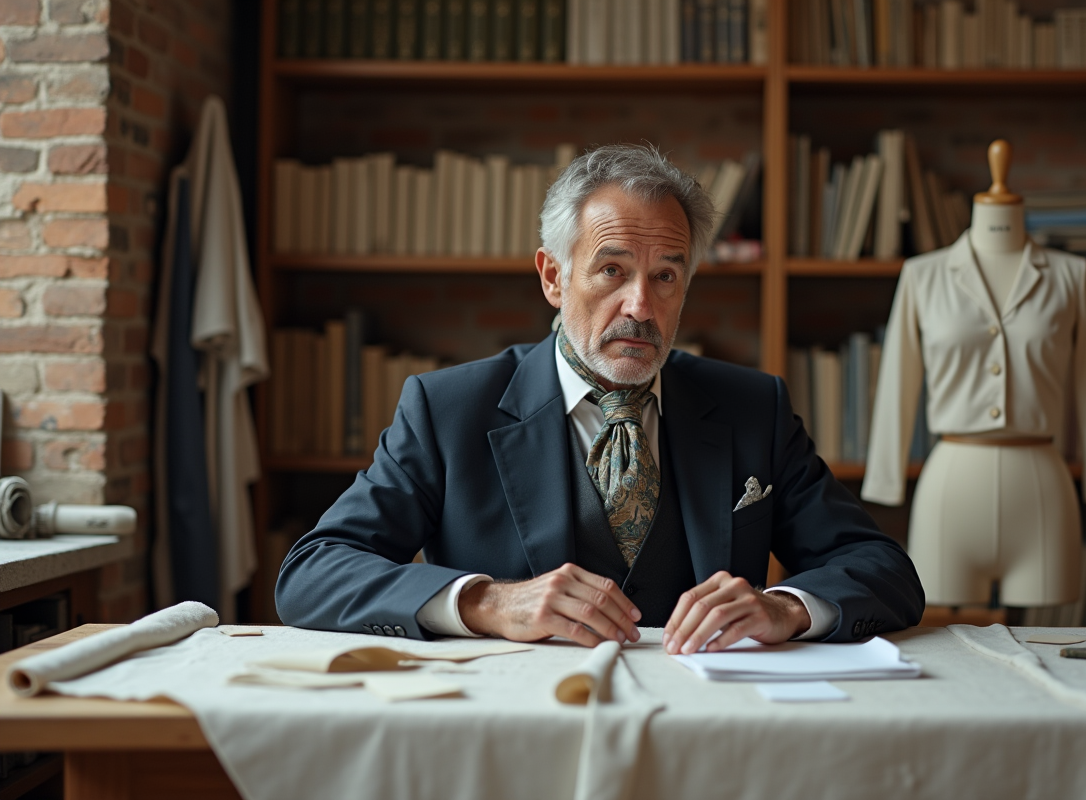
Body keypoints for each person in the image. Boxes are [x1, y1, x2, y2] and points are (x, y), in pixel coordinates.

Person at [276, 144, 924, 654]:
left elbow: (883, 568)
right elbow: (312, 573)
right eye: (612, 270)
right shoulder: (446, 410)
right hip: (514, 726)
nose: (640, 306)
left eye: (665, 276)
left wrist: (786, 607)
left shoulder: (754, 408)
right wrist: (486, 602)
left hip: (709, 724)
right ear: (553, 277)